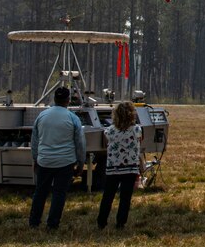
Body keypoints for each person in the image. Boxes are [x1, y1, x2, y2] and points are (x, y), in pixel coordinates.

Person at [28, 86, 86, 231]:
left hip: (44, 161)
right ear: (68, 101)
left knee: (40, 192)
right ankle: (52, 224)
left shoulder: (42, 116)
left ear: (54, 99)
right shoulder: (73, 118)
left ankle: (34, 221)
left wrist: (35, 159)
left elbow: (34, 141)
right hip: (65, 162)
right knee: (59, 194)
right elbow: (80, 143)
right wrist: (80, 162)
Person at [97, 100, 142, 230]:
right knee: (125, 198)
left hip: (113, 168)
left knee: (108, 196)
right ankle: (121, 222)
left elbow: (106, 141)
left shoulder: (109, 130)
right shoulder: (137, 130)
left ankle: (101, 221)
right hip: (130, 168)